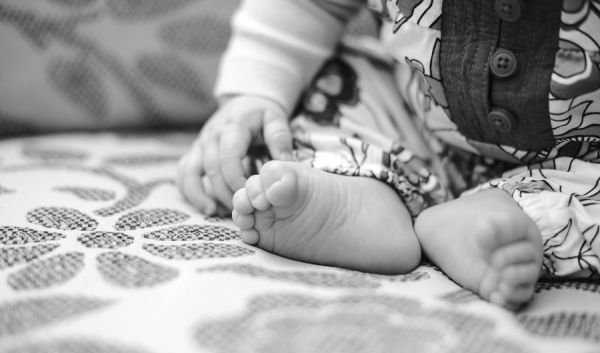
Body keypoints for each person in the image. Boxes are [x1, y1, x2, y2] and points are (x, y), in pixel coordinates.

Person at [177, 0, 600, 310]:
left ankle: (496, 216)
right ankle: (364, 193)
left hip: (581, 167)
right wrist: (255, 93)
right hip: (412, 120)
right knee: (330, 84)